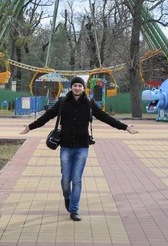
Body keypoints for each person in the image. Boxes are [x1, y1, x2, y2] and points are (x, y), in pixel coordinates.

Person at [20, 76, 139, 222]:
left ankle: (74, 210)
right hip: (66, 146)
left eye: (80, 86)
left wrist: (125, 127)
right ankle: (67, 197)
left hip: (82, 147)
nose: (77, 88)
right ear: (71, 87)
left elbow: (105, 117)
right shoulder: (63, 102)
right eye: (75, 85)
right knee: (65, 180)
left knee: (76, 179)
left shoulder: (89, 104)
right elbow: (48, 116)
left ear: (84, 88)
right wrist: (30, 127)